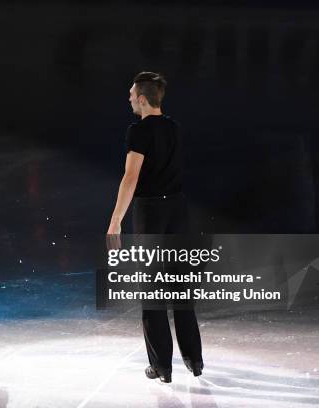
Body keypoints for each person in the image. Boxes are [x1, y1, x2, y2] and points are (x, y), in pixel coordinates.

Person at [107, 72, 203, 383]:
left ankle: (162, 366)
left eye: (132, 94)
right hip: (178, 210)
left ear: (144, 99)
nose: (129, 98)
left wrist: (115, 221)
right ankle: (194, 361)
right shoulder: (174, 127)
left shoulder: (139, 131)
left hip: (152, 212)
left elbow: (131, 178)